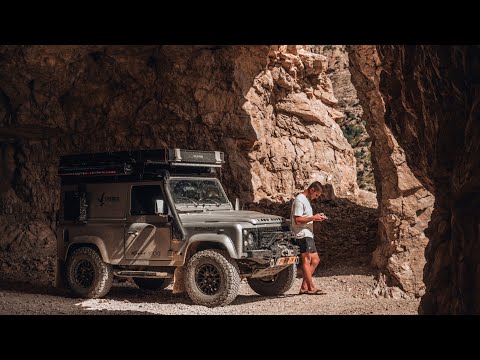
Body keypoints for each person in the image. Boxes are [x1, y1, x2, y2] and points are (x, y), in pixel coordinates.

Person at [290, 181, 328, 295]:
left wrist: (316, 217)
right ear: (312, 190)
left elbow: (306, 217)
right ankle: (311, 288)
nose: (315, 198)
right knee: (306, 260)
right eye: (316, 195)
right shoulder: (299, 200)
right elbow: (298, 220)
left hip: (308, 234)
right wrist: (313, 218)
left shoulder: (305, 200)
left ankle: (304, 287)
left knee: (315, 260)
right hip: (302, 234)